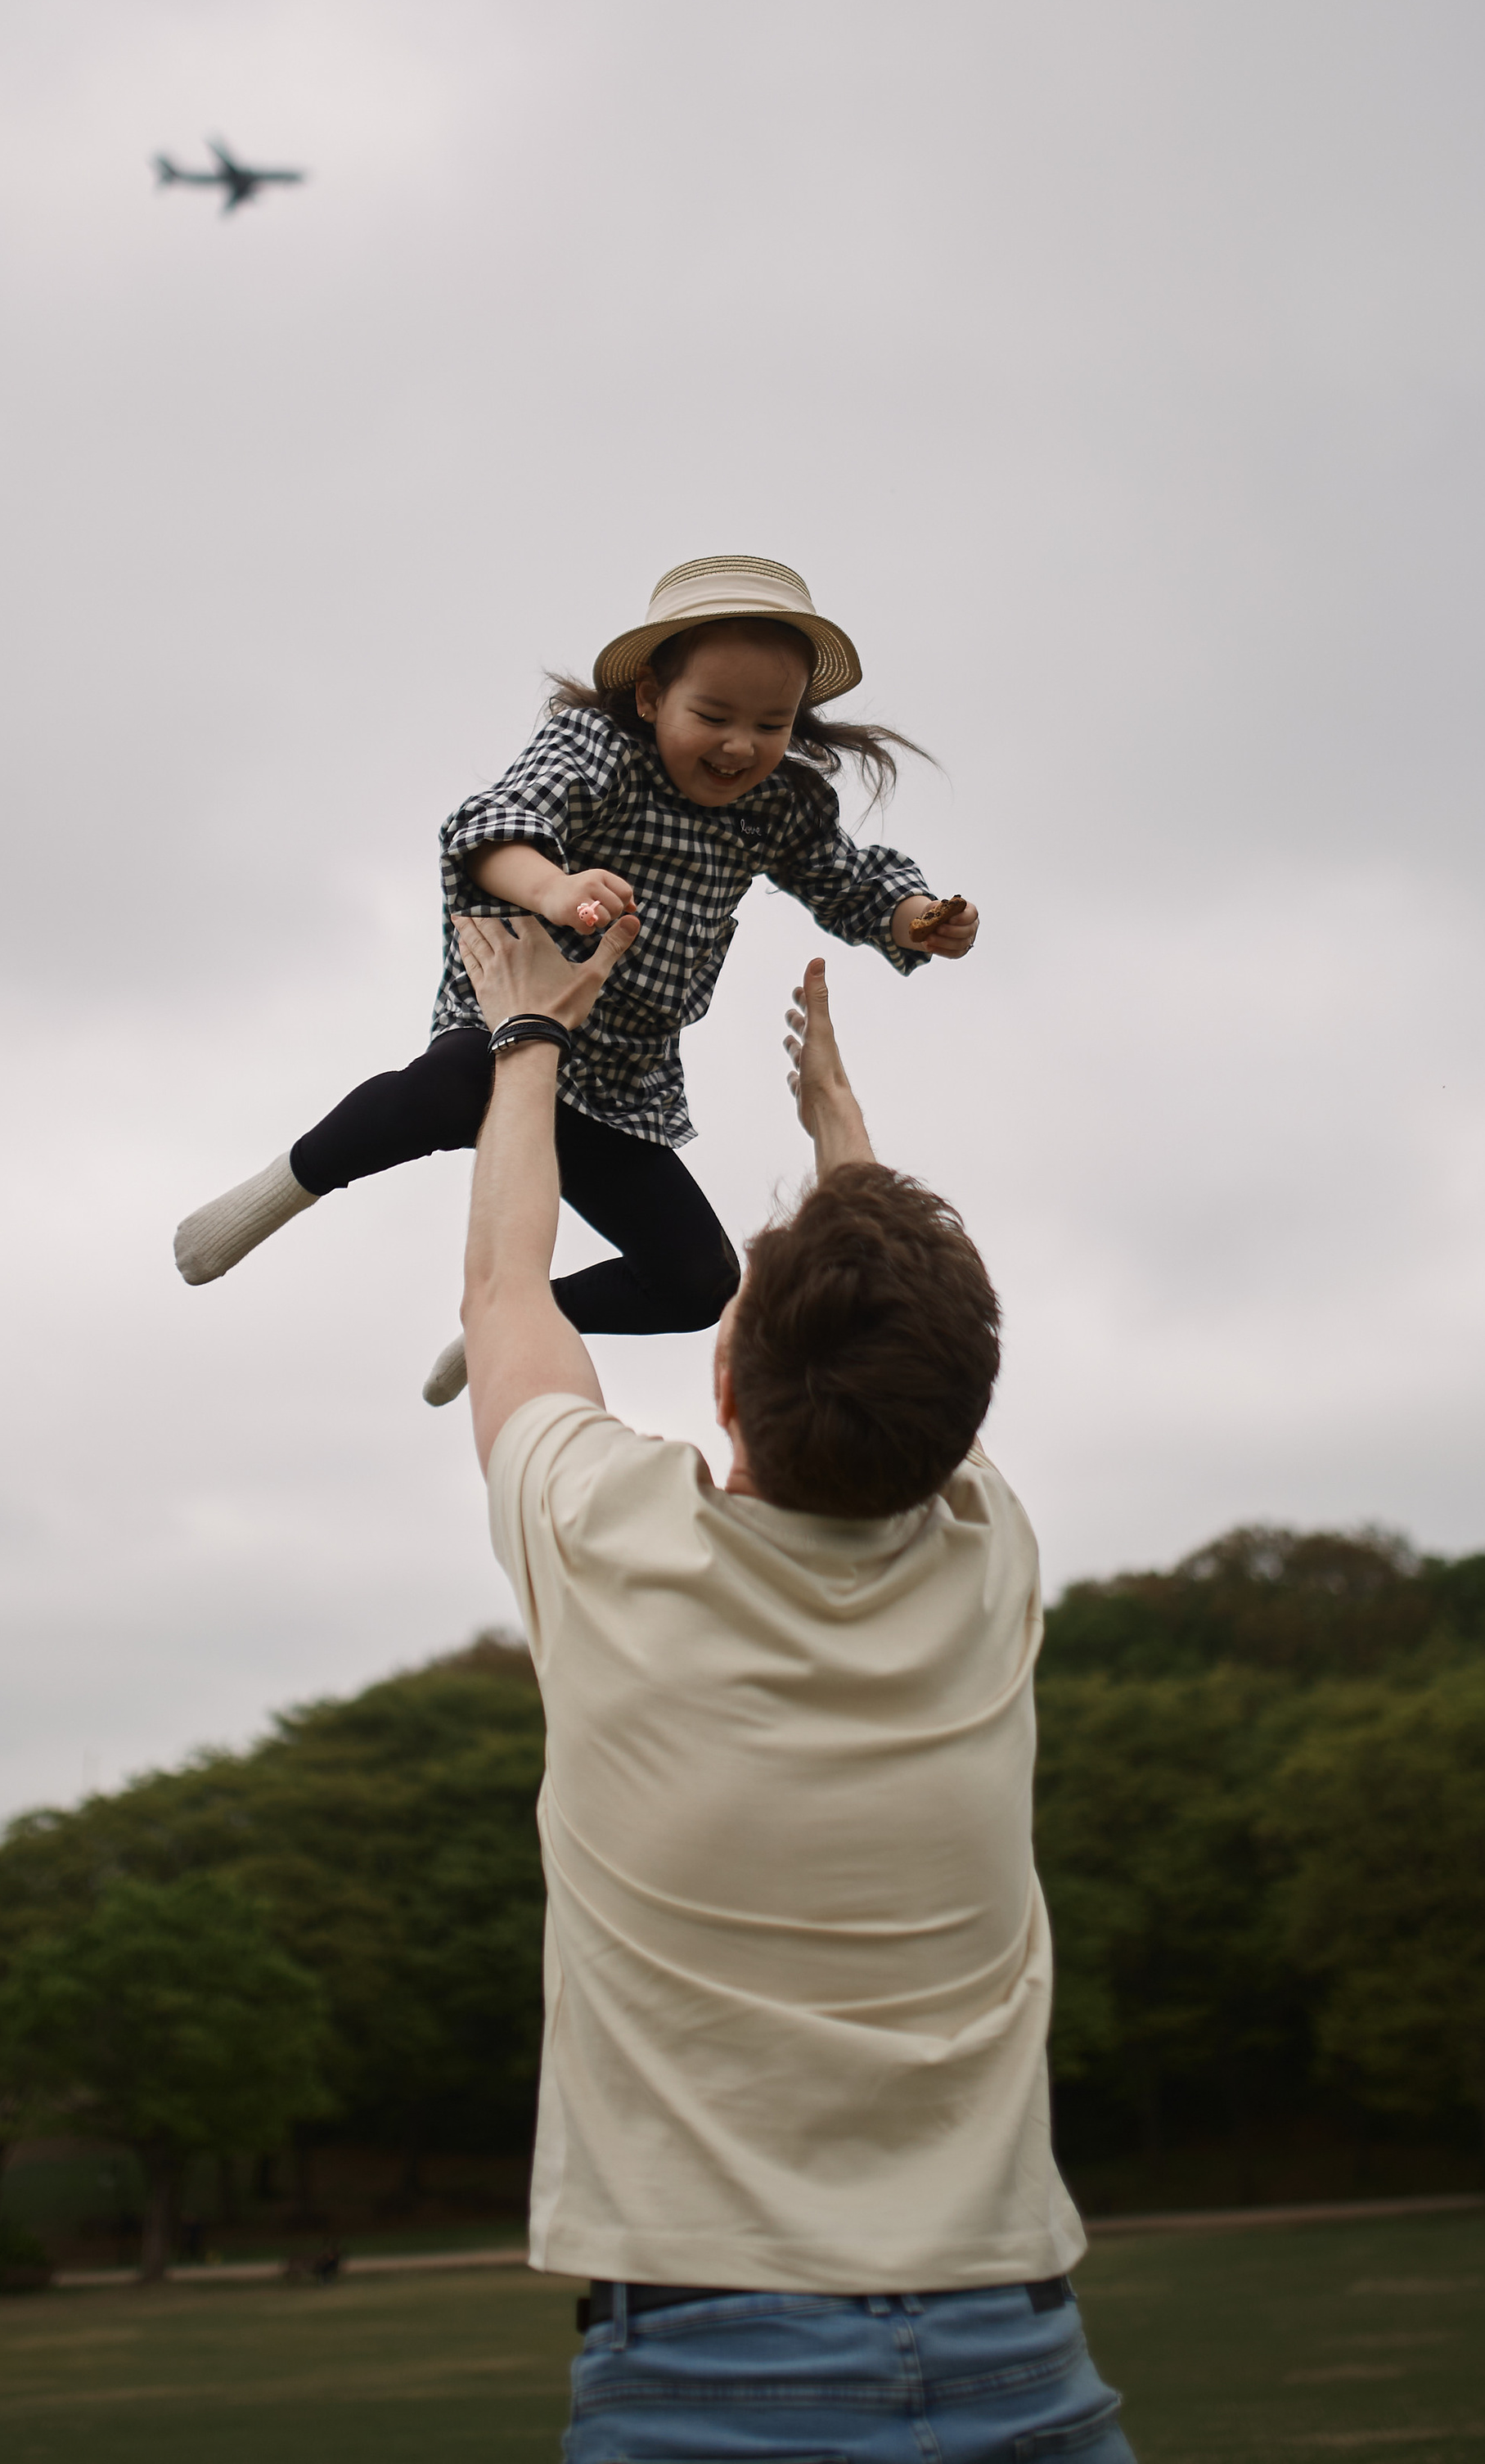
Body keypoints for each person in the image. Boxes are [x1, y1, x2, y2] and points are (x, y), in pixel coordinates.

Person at [452, 908, 1134, 2464]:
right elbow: (905, 1369)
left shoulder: (608, 1539)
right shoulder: (987, 1562)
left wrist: (527, 1039)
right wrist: (849, 1150)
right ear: (964, 1422)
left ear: (719, 1377)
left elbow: (509, 1293)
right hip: (1023, 2362)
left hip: (704, 2372)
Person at [173, 553, 979, 1403]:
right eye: (712, 714)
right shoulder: (595, 749)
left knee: (699, 1281)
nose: (742, 746)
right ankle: (274, 1193)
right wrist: (553, 887)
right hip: (515, 999)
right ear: (649, 698)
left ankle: (516, 1324)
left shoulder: (782, 804)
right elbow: (491, 829)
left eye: (772, 724)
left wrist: (915, 915)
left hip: (619, 1079)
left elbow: (845, 881)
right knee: (452, 1088)